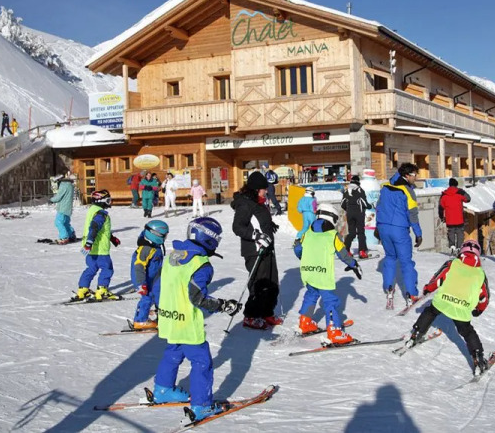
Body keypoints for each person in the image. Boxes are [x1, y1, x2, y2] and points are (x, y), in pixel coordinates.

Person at [152, 216, 242, 422]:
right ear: (209, 239)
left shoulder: (173, 255)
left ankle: (163, 389)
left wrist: (161, 308)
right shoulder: (201, 264)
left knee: (173, 351)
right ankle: (202, 405)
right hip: (186, 322)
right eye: (217, 239)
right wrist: (222, 305)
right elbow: (198, 298)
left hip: (169, 317)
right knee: (201, 361)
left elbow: (158, 285)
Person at [408, 239, 491, 374]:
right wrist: (478, 310)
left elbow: (438, 279)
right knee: (467, 331)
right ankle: (478, 359)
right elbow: (484, 297)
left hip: (443, 301)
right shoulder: (480, 274)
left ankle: (416, 333)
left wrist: (428, 289)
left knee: (430, 311)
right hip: (462, 308)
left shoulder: (452, 263)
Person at [294, 203, 362, 344]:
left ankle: (304, 322)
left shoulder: (307, 233)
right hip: (323, 275)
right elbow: (343, 254)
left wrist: (305, 258)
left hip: (308, 272)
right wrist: (354, 264)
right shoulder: (333, 236)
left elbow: (298, 249)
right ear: (332, 218)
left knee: (311, 294)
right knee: (330, 301)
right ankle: (334, 332)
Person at [231, 171, 282, 330]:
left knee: (272, 282)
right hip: (254, 250)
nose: (266, 191)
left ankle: (266, 312)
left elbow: (259, 220)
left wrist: (269, 226)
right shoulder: (245, 204)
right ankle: (251, 316)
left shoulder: (259, 202)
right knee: (259, 283)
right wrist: (256, 235)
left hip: (267, 248)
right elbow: (237, 227)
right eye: (263, 189)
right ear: (256, 189)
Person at [375, 162, 423, 306]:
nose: (416, 178)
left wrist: (378, 226)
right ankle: (411, 294)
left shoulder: (385, 187)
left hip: (384, 228)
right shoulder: (407, 191)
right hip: (399, 229)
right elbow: (412, 214)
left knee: (390, 257)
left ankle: (389, 288)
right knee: (406, 262)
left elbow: (379, 207)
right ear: (407, 175)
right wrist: (418, 233)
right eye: (414, 175)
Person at [74, 190, 121, 301]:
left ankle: (83, 290)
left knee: (91, 268)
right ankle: (102, 290)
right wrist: (90, 242)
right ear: (100, 201)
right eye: (108, 200)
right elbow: (94, 228)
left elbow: (101, 230)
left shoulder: (92, 210)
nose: (109, 203)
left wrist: (112, 238)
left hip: (90, 249)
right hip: (100, 249)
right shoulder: (101, 214)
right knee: (107, 269)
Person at [131, 220, 169, 330]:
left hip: (153, 277)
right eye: (164, 235)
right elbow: (138, 266)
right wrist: (141, 284)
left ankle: (161, 316)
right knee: (147, 297)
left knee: (158, 295)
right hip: (143, 279)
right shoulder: (146, 248)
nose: (165, 238)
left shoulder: (154, 245)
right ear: (156, 234)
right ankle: (140, 321)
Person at [341, 175, 373, 258]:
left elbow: (342, 204)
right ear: (358, 182)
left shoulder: (347, 190)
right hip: (359, 214)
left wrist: (348, 210)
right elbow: (364, 203)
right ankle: (362, 251)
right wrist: (370, 206)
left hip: (350, 214)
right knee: (361, 233)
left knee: (351, 233)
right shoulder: (360, 190)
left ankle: (346, 250)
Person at [439, 178, 471, 255]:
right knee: (460, 234)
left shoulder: (444, 195)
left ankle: (452, 247)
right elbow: (468, 199)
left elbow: (440, 208)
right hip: (459, 219)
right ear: (456, 185)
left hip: (449, 220)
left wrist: (441, 217)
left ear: (449, 185)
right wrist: (462, 192)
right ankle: (459, 249)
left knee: (451, 234)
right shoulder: (459, 193)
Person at [50, 173, 76, 244]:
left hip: (63, 208)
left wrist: (51, 200)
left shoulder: (64, 185)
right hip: (68, 207)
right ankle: (71, 235)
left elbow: (59, 196)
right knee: (65, 223)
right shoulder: (69, 185)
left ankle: (64, 237)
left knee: (58, 222)